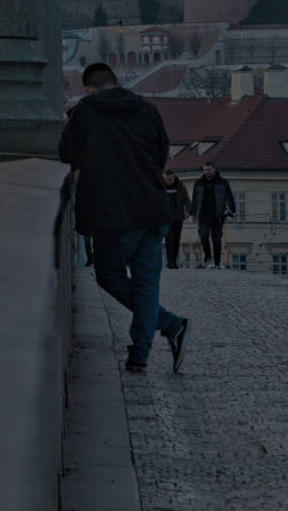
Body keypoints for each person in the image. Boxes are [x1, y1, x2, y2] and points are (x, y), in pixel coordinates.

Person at [59, 62, 189, 375]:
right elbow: (161, 156)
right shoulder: (146, 109)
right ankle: (141, 354)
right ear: (116, 83)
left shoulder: (86, 111)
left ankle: (169, 326)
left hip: (112, 211)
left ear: (89, 88)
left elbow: (66, 154)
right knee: (146, 285)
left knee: (110, 276)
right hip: (153, 207)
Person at [191, 160, 234, 267]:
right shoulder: (199, 182)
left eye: (209, 170)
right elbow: (195, 199)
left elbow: (229, 196)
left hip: (218, 214)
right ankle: (208, 256)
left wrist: (232, 210)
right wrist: (193, 213)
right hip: (203, 215)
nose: (207, 172)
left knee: (216, 239)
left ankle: (217, 261)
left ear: (214, 169)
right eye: (205, 170)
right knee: (203, 235)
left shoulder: (223, 182)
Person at [162, 170, 192, 268]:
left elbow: (186, 200)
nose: (168, 182)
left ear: (174, 178)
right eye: (167, 180)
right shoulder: (161, 187)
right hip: (166, 218)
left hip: (178, 217)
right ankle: (171, 261)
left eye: (170, 179)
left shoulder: (180, 187)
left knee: (176, 239)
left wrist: (188, 211)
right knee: (169, 239)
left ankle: (174, 260)